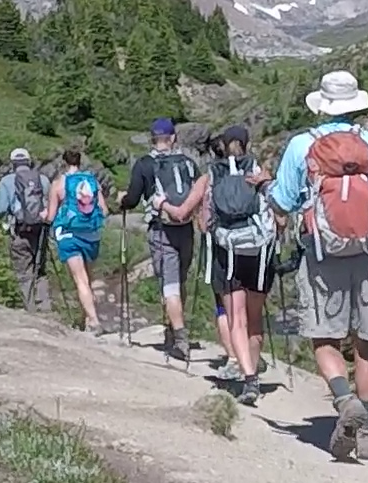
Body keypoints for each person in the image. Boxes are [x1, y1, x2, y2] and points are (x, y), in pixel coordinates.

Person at [268, 70, 368, 459]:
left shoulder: (301, 145)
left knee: (324, 338)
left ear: (322, 106)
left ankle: (346, 403)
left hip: (321, 254)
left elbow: (284, 200)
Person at [199, 124, 277, 405]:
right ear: (246, 143)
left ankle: (249, 379)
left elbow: (205, 221)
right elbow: (277, 213)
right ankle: (253, 371)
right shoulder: (258, 170)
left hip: (228, 251)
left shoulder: (214, 174)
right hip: (258, 252)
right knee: (255, 319)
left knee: (237, 319)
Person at [117, 118, 205, 360]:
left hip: (161, 229)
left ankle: (179, 338)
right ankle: (173, 327)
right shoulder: (188, 163)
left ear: (152, 138)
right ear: (173, 137)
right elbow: (198, 194)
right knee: (180, 281)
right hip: (185, 228)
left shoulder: (144, 164)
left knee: (169, 285)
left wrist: (122, 200)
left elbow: (133, 198)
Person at [47, 149, 110, 334]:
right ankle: (86, 322)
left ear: (64, 162)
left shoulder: (59, 183)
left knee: (80, 280)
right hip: (91, 235)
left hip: (69, 235)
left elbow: (50, 216)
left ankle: (94, 321)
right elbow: (104, 210)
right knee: (88, 280)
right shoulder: (92, 181)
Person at [0, 147, 54, 312]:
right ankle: (45, 307)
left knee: (23, 271)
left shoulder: (7, 181)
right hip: (40, 232)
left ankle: (31, 309)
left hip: (19, 231)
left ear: (13, 164)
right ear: (29, 162)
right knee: (40, 269)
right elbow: (49, 205)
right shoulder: (43, 180)